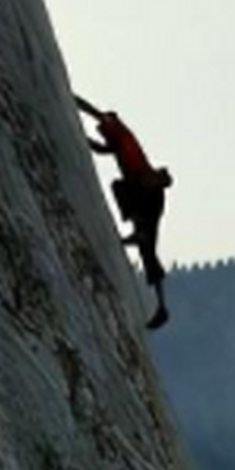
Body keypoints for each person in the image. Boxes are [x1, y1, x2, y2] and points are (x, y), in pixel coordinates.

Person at [76, 95, 174, 330]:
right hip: (145, 192)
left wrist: (74, 101)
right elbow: (102, 148)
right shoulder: (118, 140)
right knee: (147, 247)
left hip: (147, 194)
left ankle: (137, 227)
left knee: (145, 240)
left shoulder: (120, 134)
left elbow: (95, 114)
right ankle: (161, 306)